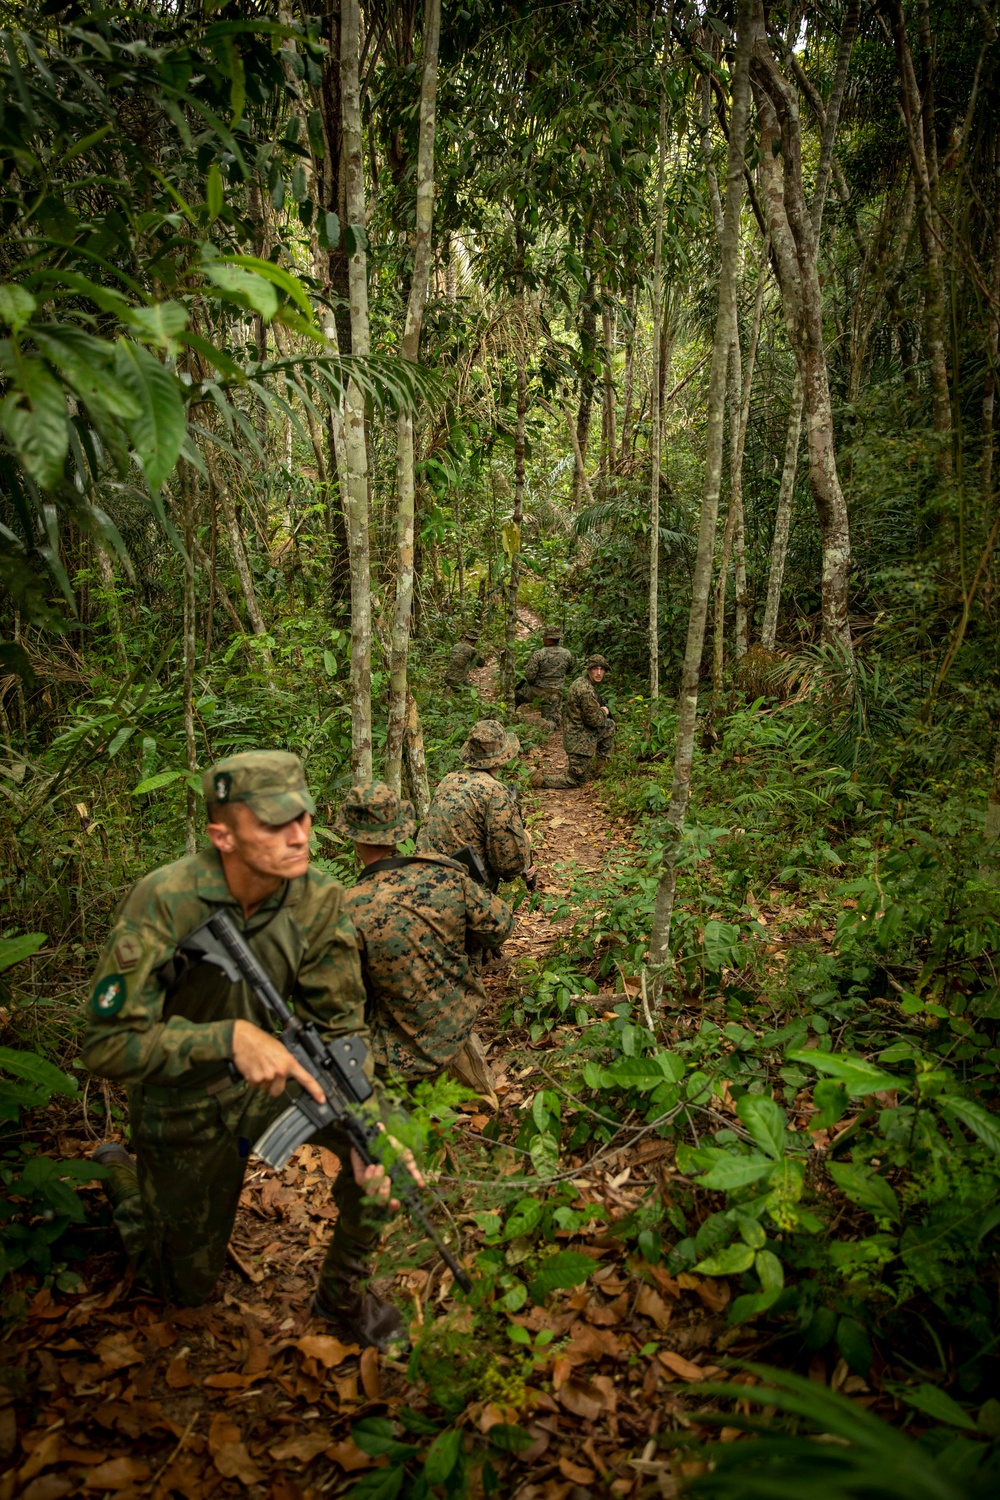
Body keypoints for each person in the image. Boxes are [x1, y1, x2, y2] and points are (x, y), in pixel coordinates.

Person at [83, 750, 408, 1351]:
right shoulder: (166, 900)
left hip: (277, 1081)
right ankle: (121, 1178)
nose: (299, 836)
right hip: (185, 1096)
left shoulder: (318, 899)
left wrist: (367, 1124)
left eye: (305, 819)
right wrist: (225, 1039)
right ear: (222, 835)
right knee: (179, 1286)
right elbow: (105, 1044)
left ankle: (343, 1294)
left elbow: (340, 1026)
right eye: (276, 824)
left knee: (390, 1145)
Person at [340, 782, 514, 1102]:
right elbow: (499, 927)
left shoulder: (349, 908)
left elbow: (342, 999)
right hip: (458, 1026)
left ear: (352, 837)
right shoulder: (444, 872)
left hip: (395, 1059)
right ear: (400, 829)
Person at [415, 719, 534, 892]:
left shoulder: (448, 780)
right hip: (465, 893)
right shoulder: (496, 793)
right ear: (502, 758)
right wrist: (525, 842)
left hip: (424, 880)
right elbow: (508, 867)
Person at [534, 654, 616, 788]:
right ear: (589, 670)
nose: (599, 672)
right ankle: (539, 780)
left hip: (579, 734)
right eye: (595, 669)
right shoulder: (585, 690)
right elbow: (594, 721)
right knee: (576, 780)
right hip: (579, 741)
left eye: (602, 669)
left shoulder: (583, 683)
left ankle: (601, 771)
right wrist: (604, 711)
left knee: (609, 726)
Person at [515, 626, 573, 728]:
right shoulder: (567, 654)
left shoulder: (539, 654)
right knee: (553, 718)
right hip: (556, 692)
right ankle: (548, 724)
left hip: (538, 691)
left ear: (547, 639)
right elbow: (569, 670)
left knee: (515, 696)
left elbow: (529, 676)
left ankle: (510, 716)